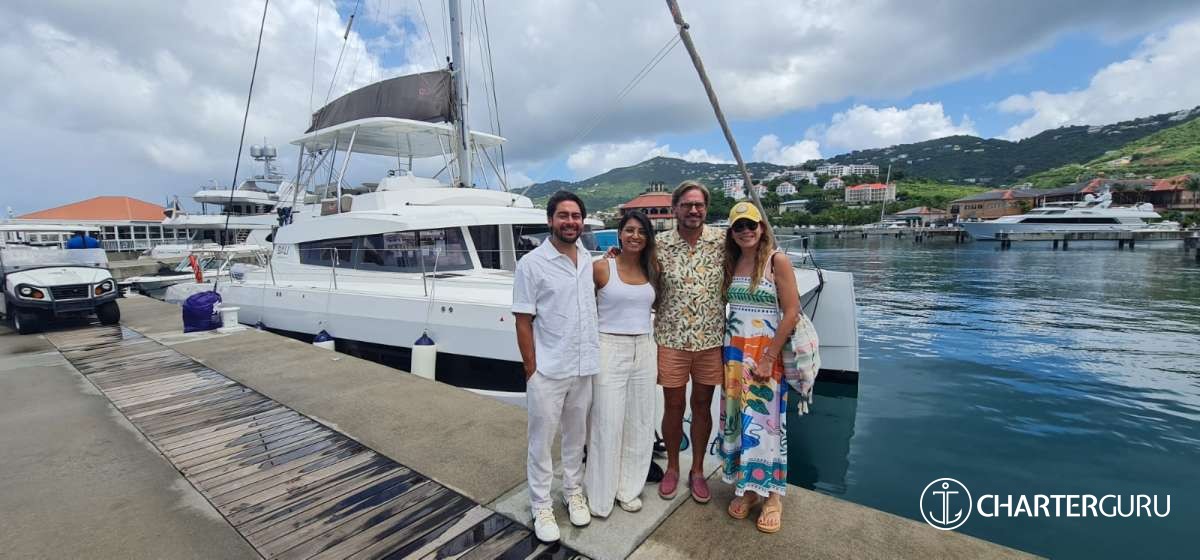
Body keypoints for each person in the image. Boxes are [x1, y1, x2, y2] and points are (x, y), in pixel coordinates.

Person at [719, 201, 821, 534]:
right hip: (735, 357)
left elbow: (791, 312)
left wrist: (767, 358)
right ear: (731, 233)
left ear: (761, 227)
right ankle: (749, 489)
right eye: (738, 226)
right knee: (740, 423)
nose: (745, 231)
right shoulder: (733, 261)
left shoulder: (777, 261)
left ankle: (773, 497)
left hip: (765, 357)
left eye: (751, 224)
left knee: (769, 426)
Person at [512, 191, 600, 543]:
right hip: (548, 370)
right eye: (563, 215)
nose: (570, 222)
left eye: (576, 216)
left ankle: (572, 491)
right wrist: (531, 368)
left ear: (582, 221)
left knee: (575, 438)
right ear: (550, 220)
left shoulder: (588, 259)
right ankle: (541, 505)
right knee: (541, 442)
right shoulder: (532, 264)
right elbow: (522, 320)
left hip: (583, 367)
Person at [653, 180, 726, 503]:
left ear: (706, 208)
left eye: (698, 205)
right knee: (673, 405)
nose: (693, 210)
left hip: (710, 339)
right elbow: (636, 270)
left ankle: (697, 470)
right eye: (686, 205)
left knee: (701, 405)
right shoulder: (659, 244)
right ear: (675, 209)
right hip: (671, 338)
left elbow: (754, 255)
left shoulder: (722, 241)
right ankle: (672, 467)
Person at [585, 210, 659, 517]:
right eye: (629, 230)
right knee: (606, 422)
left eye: (641, 231)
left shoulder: (652, 269)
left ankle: (629, 489)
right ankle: (600, 496)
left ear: (648, 237)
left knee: (640, 422)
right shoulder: (601, 268)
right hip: (608, 346)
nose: (635, 236)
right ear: (620, 233)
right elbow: (582, 309)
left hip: (645, 346)